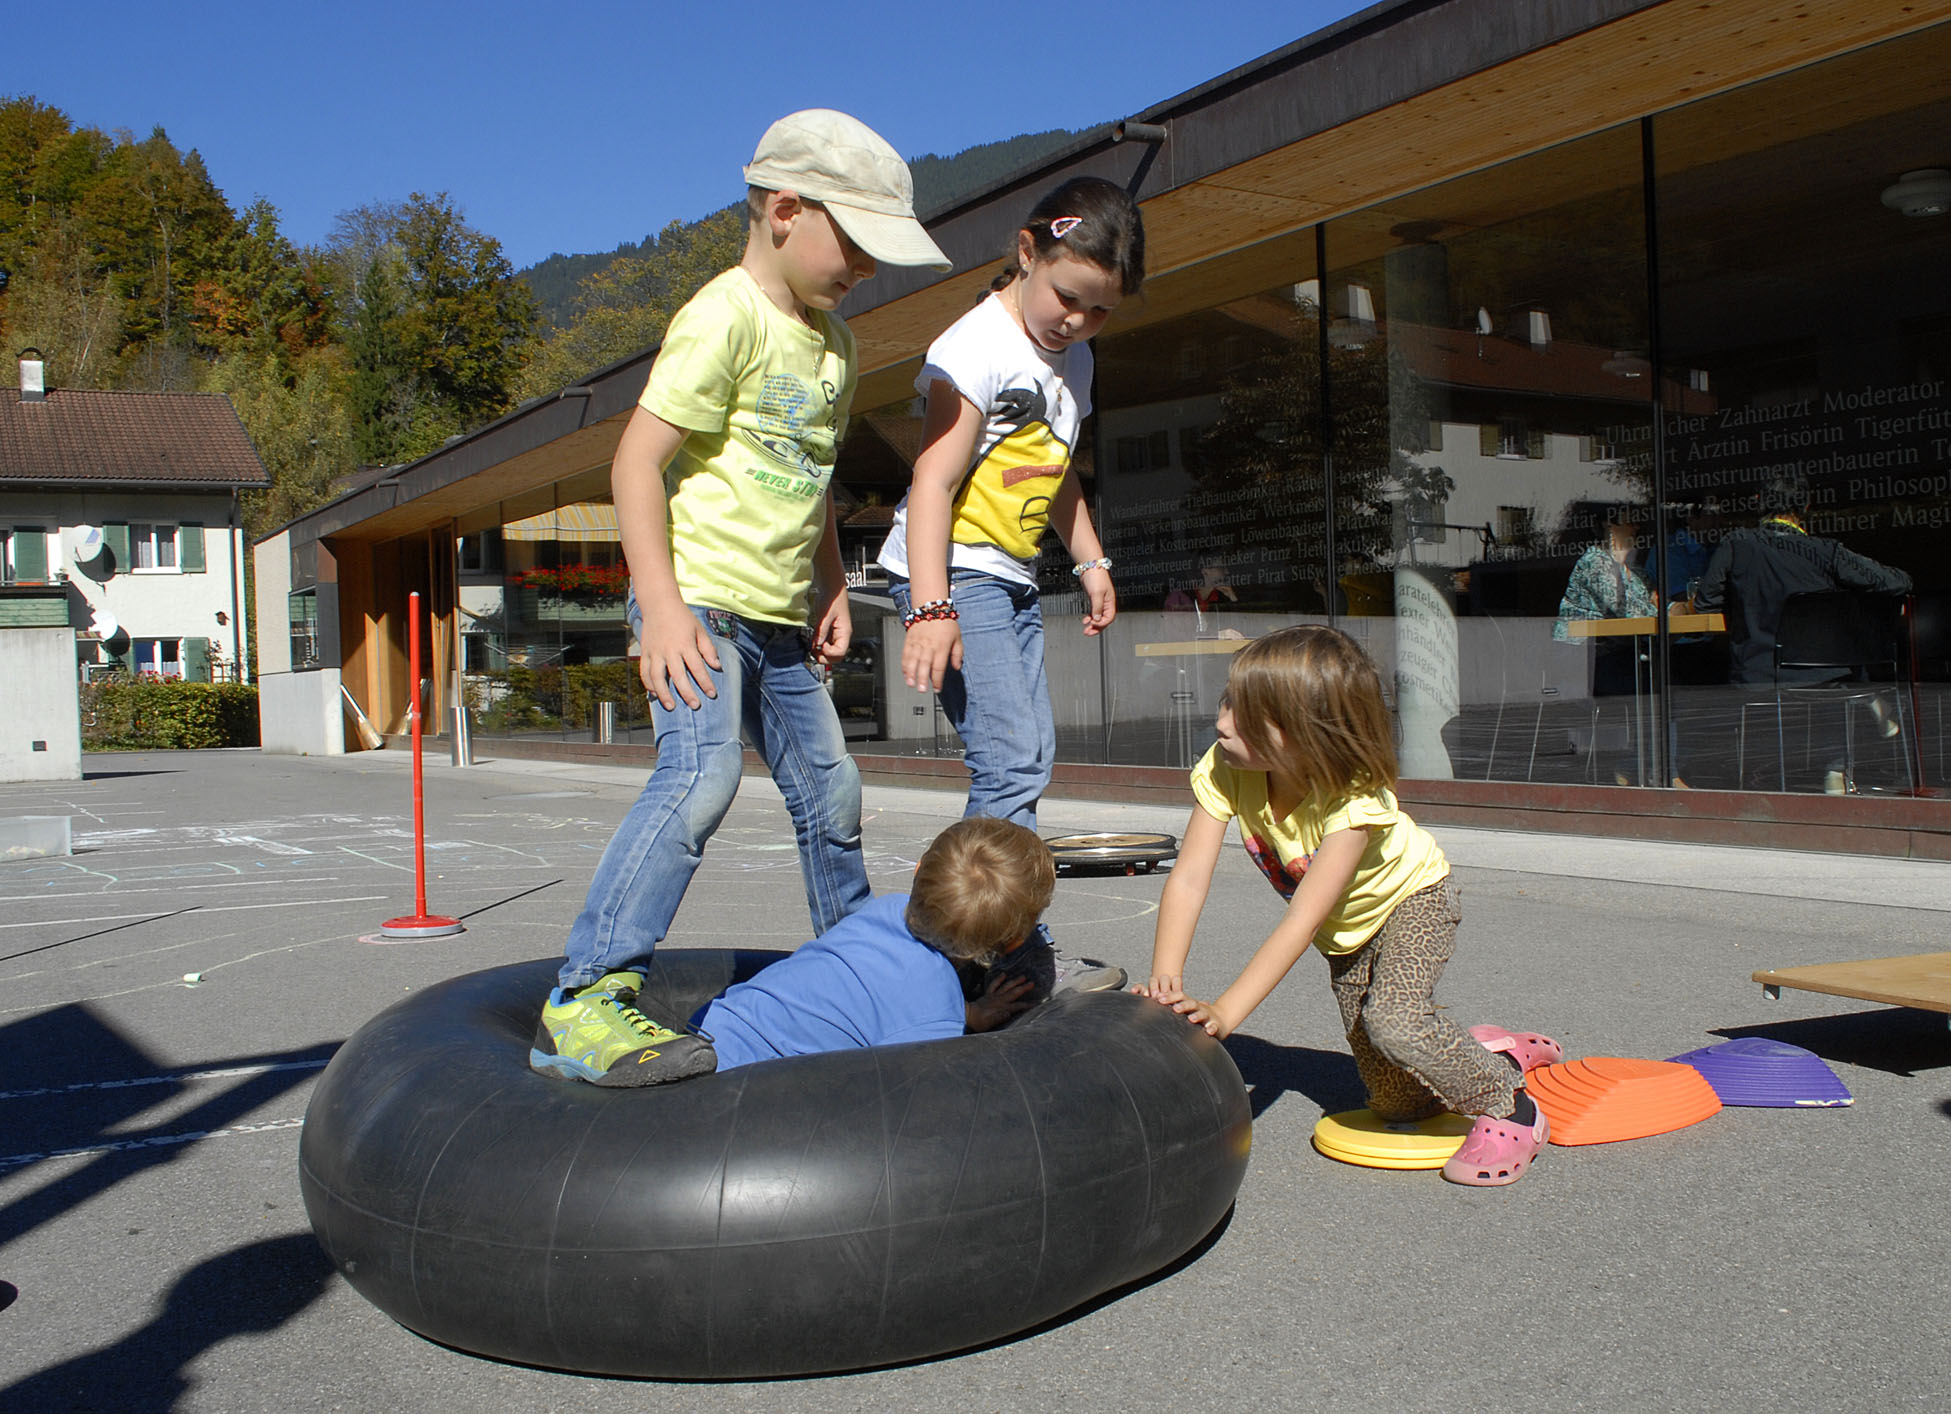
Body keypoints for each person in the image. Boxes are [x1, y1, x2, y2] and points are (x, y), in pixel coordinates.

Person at [532, 109, 953, 1086]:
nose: (865, 268)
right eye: (855, 243)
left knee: (832, 790)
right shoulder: (723, 316)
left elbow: (809, 481)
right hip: (700, 606)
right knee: (701, 778)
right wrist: (661, 605)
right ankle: (584, 997)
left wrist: (831, 585)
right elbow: (635, 463)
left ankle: (865, 966)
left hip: (778, 618)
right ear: (783, 210)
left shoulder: (836, 346)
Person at [1135, 626, 1560, 1186]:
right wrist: (1165, 982)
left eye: (1248, 715)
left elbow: (1302, 918)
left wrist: (1225, 1015)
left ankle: (1512, 1105)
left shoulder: (1354, 794)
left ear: (1306, 735)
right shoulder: (1226, 766)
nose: (1223, 723)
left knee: (1395, 1022)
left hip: (1412, 901)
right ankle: (1487, 1053)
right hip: (1346, 932)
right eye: (1227, 700)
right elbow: (1190, 877)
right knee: (1396, 1103)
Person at [874, 176, 1146, 995]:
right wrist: (931, 607)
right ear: (1027, 252)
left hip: (1009, 575)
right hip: (954, 571)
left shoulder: (1075, 359)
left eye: (1099, 311)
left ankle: (983, 937)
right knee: (1008, 766)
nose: (1077, 322)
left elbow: (1056, 472)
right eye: (1068, 298)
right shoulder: (975, 347)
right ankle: (982, 948)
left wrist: (1090, 560)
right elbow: (931, 480)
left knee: (1027, 757)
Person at [530, 819, 1050, 1083]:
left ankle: (598, 1044)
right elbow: (908, 1093)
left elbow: (878, 993)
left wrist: (969, 1014)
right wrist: (964, 1022)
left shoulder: (886, 911)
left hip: (712, 1030)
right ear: (1001, 945)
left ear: (917, 871)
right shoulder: (930, 1016)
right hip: (727, 1087)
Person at [1693, 472, 1911, 792]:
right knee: (1839, 682)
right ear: (1806, 507)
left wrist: (1747, 602)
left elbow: (1704, 603)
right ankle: (1836, 768)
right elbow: (1897, 581)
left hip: (1759, 675)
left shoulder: (1736, 544)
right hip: (1822, 675)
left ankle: (1766, 775)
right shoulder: (1826, 551)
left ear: (1759, 503)